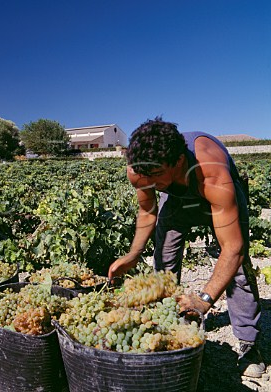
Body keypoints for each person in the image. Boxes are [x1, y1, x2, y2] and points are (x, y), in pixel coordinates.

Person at [108, 117, 265, 378]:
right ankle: (169, 326)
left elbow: (233, 248)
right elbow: (148, 212)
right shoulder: (141, 170)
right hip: (180, 200)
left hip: (218, 197)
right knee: (164, 260)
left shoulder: (212, 172)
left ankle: (249, 344)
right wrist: (133, 254)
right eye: (144, 176)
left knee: (238, 269)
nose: (150, 183)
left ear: (179, 161)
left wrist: (204, 300)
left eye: (156, 175)